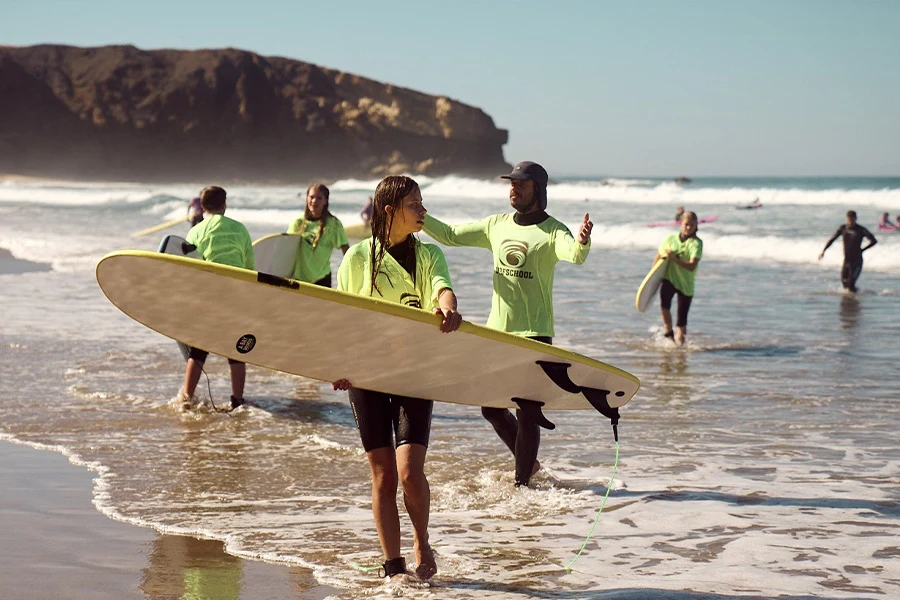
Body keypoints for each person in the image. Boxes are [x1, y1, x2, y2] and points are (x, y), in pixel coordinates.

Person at [422, 160, 593, 487]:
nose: (513, 188)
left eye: (521, 184)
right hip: (498, 332)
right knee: (490, 407)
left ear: (538, 190)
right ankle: (529, 467)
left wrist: (582, 240)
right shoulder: (496, 225)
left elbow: (575, 255)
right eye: (511, 183)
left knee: (527, 412)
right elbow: (451, 235)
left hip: (534, 334)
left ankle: (521, 486)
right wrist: (419, 217)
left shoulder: (554, 230)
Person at [333, 175, 461, 581]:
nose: (423, 210)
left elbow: (442, 288)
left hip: (413, 372)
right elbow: (339, 317)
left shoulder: (428, 255)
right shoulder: (357, 258)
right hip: (368, 375)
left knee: (409, 471)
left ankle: (422, 539)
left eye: (422, 203)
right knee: (384, 475)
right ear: (390, 211)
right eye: (415, 204)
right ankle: (393, 567)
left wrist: (449, 308)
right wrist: (336, 364)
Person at [177, 186, 255, 411]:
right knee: (236, 351)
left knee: (199, 350)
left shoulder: (195, 231)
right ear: (224, 205)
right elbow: (249, 268)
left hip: (208, 296)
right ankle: (237, 400)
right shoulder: (240, 229)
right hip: (236, 295)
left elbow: (190, 267)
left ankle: (186, 398)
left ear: (202, 207)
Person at [287, 183, 349, 287]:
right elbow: (286, 250)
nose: (314, 201)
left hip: (322, 279)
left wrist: (348, 278)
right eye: (311, 197)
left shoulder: (334, 224)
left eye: (319, 198)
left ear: (326, 201)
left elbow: (346, 252)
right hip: (298, 279)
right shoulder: (298, 223)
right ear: (306, 198)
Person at [655, 211, 703, 346]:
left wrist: (674, 258)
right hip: (669, 279)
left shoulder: (696, 243)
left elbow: (692, 266)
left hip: (686, 284)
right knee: (664, 307)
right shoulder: (670, 239)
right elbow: (659, 256)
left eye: (692, 225)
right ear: (680, 223)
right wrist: (652, 276)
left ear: (696, 225)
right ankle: (669, 334)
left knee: (681, 321)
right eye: (686, 224)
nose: (689, 227)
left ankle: (680, 348)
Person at [818, 210, 877, 293]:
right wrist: (823, 251)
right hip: (847, 260)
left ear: (855, 219)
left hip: (857, 261)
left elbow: (874, 241)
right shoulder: (843, 228)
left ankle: (856, 299)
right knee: (844, 283)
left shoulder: (860, 229)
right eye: (849, 219)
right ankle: (856, 297)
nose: (850, 221)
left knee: (850, 285)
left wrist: (862, 250)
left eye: (852, 219)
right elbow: (832, 239)